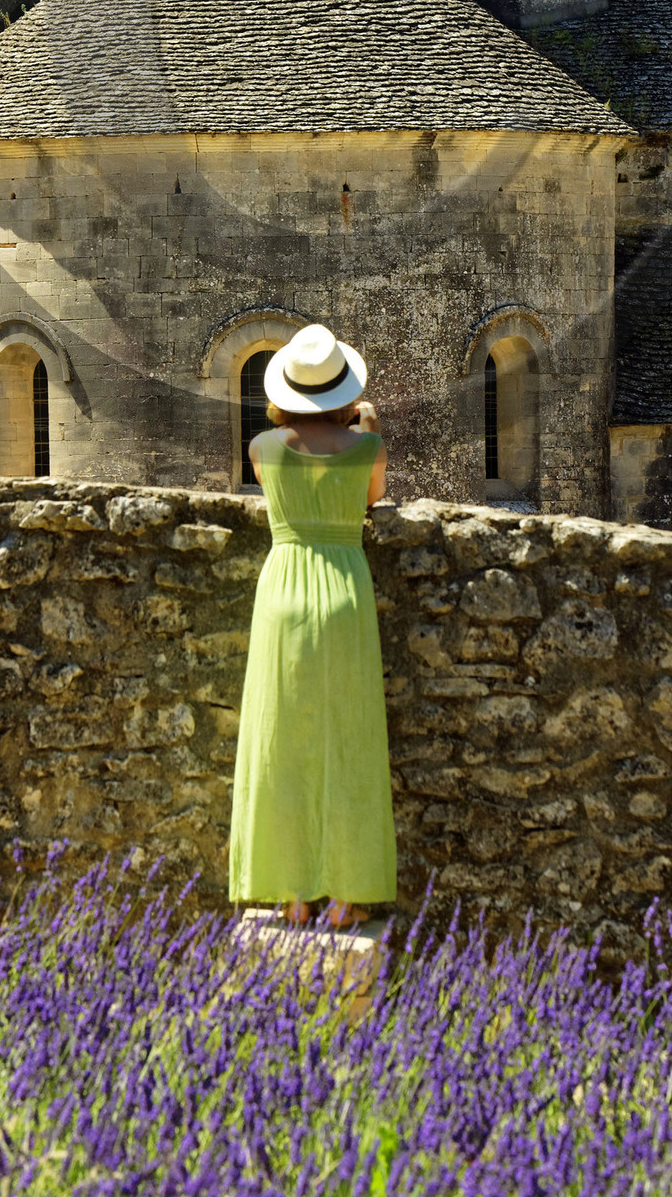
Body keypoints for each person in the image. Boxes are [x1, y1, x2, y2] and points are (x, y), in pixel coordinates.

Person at [228, 322, 397, 929]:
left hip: (282, 590)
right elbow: (369, 498)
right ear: (344, 391)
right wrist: (365, 428)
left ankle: (292, 894)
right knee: (349, 740)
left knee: (282, 740)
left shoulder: (261, 448)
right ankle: (347, 895)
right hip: (345, 588)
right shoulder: (368, 448)